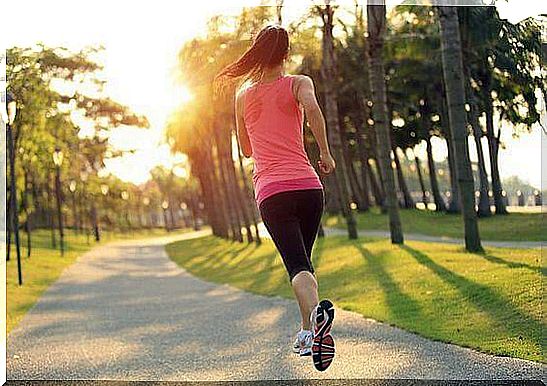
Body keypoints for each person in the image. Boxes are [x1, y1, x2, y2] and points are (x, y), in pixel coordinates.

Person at [214, 25, 336, 372]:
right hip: (310, 188)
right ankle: (306, 332)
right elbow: (312, 111)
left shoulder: (243, 95)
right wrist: (325, 154)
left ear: (257, 53)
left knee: (296, 265)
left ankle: (316, 318)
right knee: (303, 262)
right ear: (285, 54)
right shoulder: (300, 83)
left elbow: (247, 149)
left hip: (273, 191)